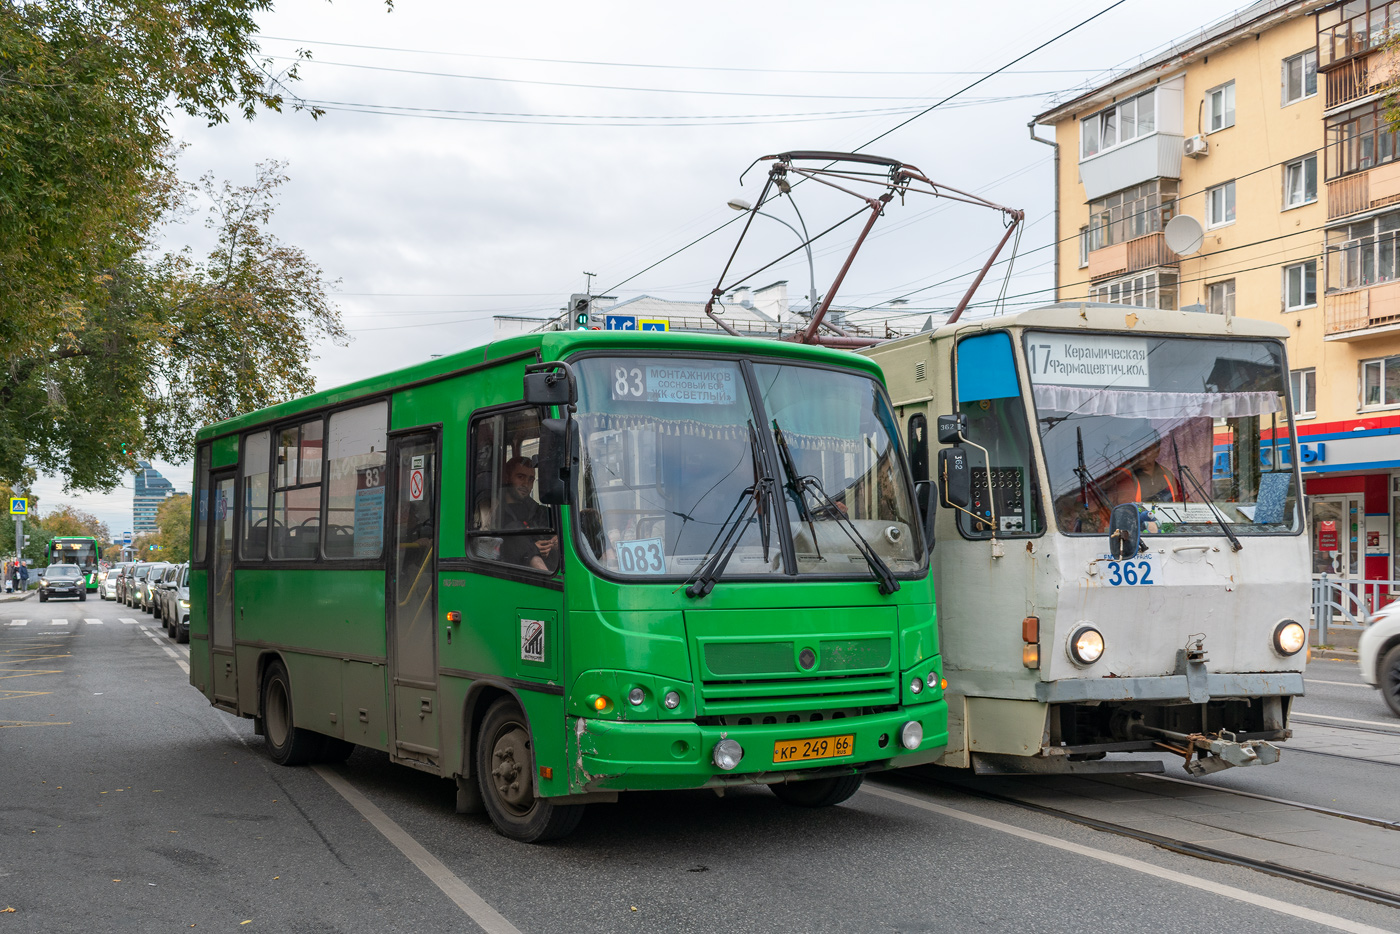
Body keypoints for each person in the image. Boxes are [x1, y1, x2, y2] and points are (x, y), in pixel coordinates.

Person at [499, 456, 557, 571]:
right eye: (520, 477)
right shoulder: (498, 512)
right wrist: (534, 549)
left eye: (531, 479)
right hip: (519, 572)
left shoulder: (538, 510)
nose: (526, 484)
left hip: (555, 568)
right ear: (507, 478)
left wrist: (558, 539)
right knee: (514, 529)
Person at [1112, 434, 1181, 505]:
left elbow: (1178, 502)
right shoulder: (1123, 476)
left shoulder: (1167, 474)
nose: (1142, 453)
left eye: (1147, 449)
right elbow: (1126, 510)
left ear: (1157, 452)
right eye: (1137, 448)